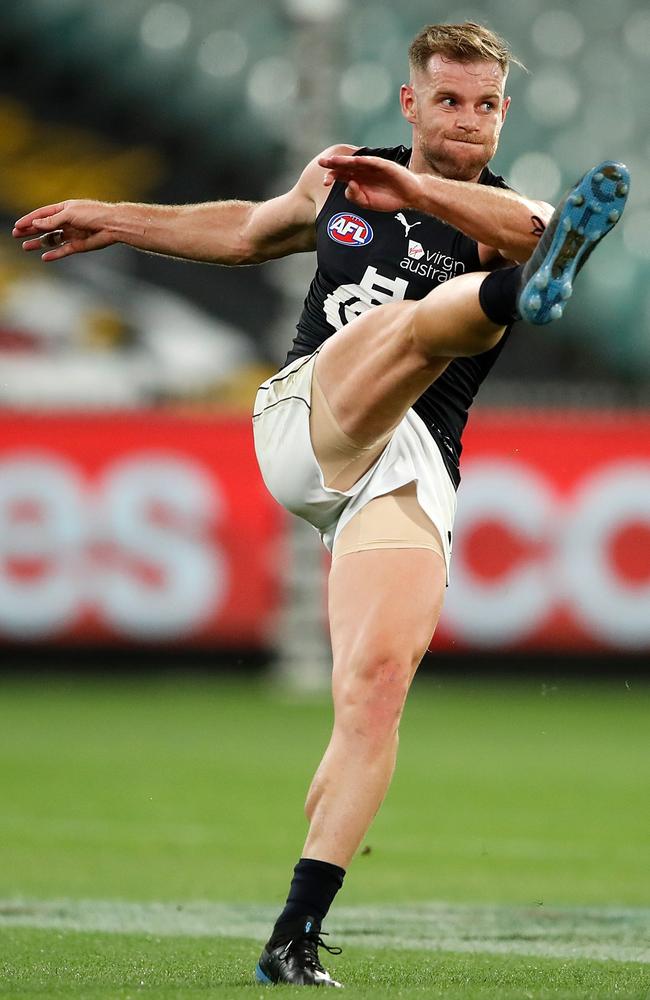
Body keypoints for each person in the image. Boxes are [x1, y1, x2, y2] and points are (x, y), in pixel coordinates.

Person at [12, 21, 629, 989]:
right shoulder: (342, 178)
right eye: (447, 101)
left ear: (503, 114)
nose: (466, 121)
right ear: (409, 103)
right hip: (308, 418)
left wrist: (420, 192)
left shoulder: (512, 209)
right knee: (417, 324)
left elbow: (540, 235)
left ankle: (292, 937)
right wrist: (114, 217)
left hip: (409, 465)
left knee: (374, 691)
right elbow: (249, 230)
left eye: (483, 105)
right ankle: (516, 301)